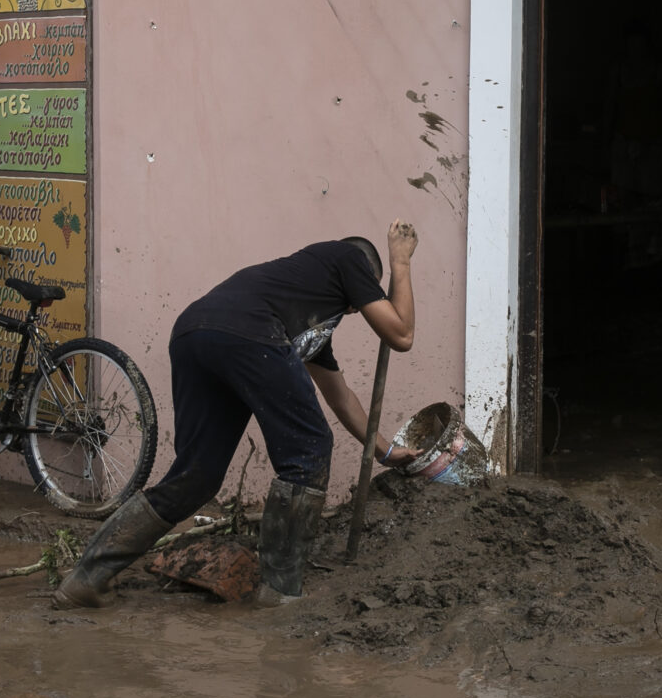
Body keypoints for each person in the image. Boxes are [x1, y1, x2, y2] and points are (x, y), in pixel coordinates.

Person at [54, 220, 418, 608]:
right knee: (308, 449)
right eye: (366, 293)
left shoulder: (303, 313)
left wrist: (384, 451)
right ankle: (279, 593)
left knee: (198, 476)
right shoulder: (348, 256)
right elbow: (401, 335)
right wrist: (401, 264)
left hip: (195, 331)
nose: (358, 306)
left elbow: (342, 398)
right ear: (363, 277)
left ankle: (87, 578)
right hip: (248, 331)